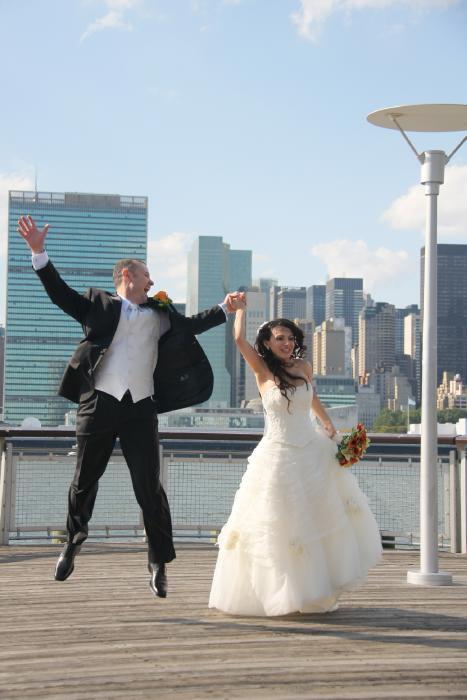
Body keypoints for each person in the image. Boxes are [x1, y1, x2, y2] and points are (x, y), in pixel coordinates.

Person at [17, 214, 244, 598]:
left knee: (148, 487)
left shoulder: (160, 314)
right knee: (84, 480)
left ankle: (158, 562)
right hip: (98, 404)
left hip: (140, 408)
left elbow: (191, 325)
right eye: (146, 275)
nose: (152, 282)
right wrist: (39, 253)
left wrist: (225, 307)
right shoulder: (98, 305)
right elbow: (60, 294)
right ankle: (72, 541)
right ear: (127, 276)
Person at [209, 301, 382, 616]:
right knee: (279, 525)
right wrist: (241, 309)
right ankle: (282, 593)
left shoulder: (303, 367)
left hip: (312, 451)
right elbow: (238, 339)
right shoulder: (262, 370)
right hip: (277, 455)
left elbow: (312, 397)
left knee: (317, 521)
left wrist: (328, 423)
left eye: (290, 338)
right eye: (279, 338)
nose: (286, 343)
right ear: (267, 343)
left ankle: (314, 591)